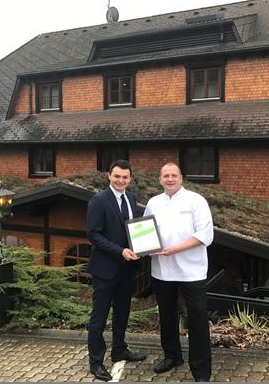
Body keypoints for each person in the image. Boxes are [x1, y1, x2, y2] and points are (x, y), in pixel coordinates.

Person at [144, 162, 214, 382]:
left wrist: (177, 248)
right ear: (160, 179)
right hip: (162, 270)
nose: (170, 179)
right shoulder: (153, 202)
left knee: (197, 319)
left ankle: (201, 371)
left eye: (174, 175)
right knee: (166, 316)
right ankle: (172, 356)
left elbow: (206, 235)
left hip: (191, 271)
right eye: (166, 175)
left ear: (181, 178)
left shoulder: (196, 201)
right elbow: (144, 230)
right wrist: (144, 248)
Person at [86, 159, 147, 381]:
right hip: (105, 269)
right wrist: (119, 250)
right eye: (117, 176)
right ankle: (95, 362)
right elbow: (93, 234)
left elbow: (133, 229)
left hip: (126, 268)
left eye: (125, 177)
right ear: (109, 176)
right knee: (99, 318)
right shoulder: (98, 200)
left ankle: (119, 349)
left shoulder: (130, 198)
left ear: (130, 178)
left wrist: (142, 246)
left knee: (122, 312)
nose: (121, 180)